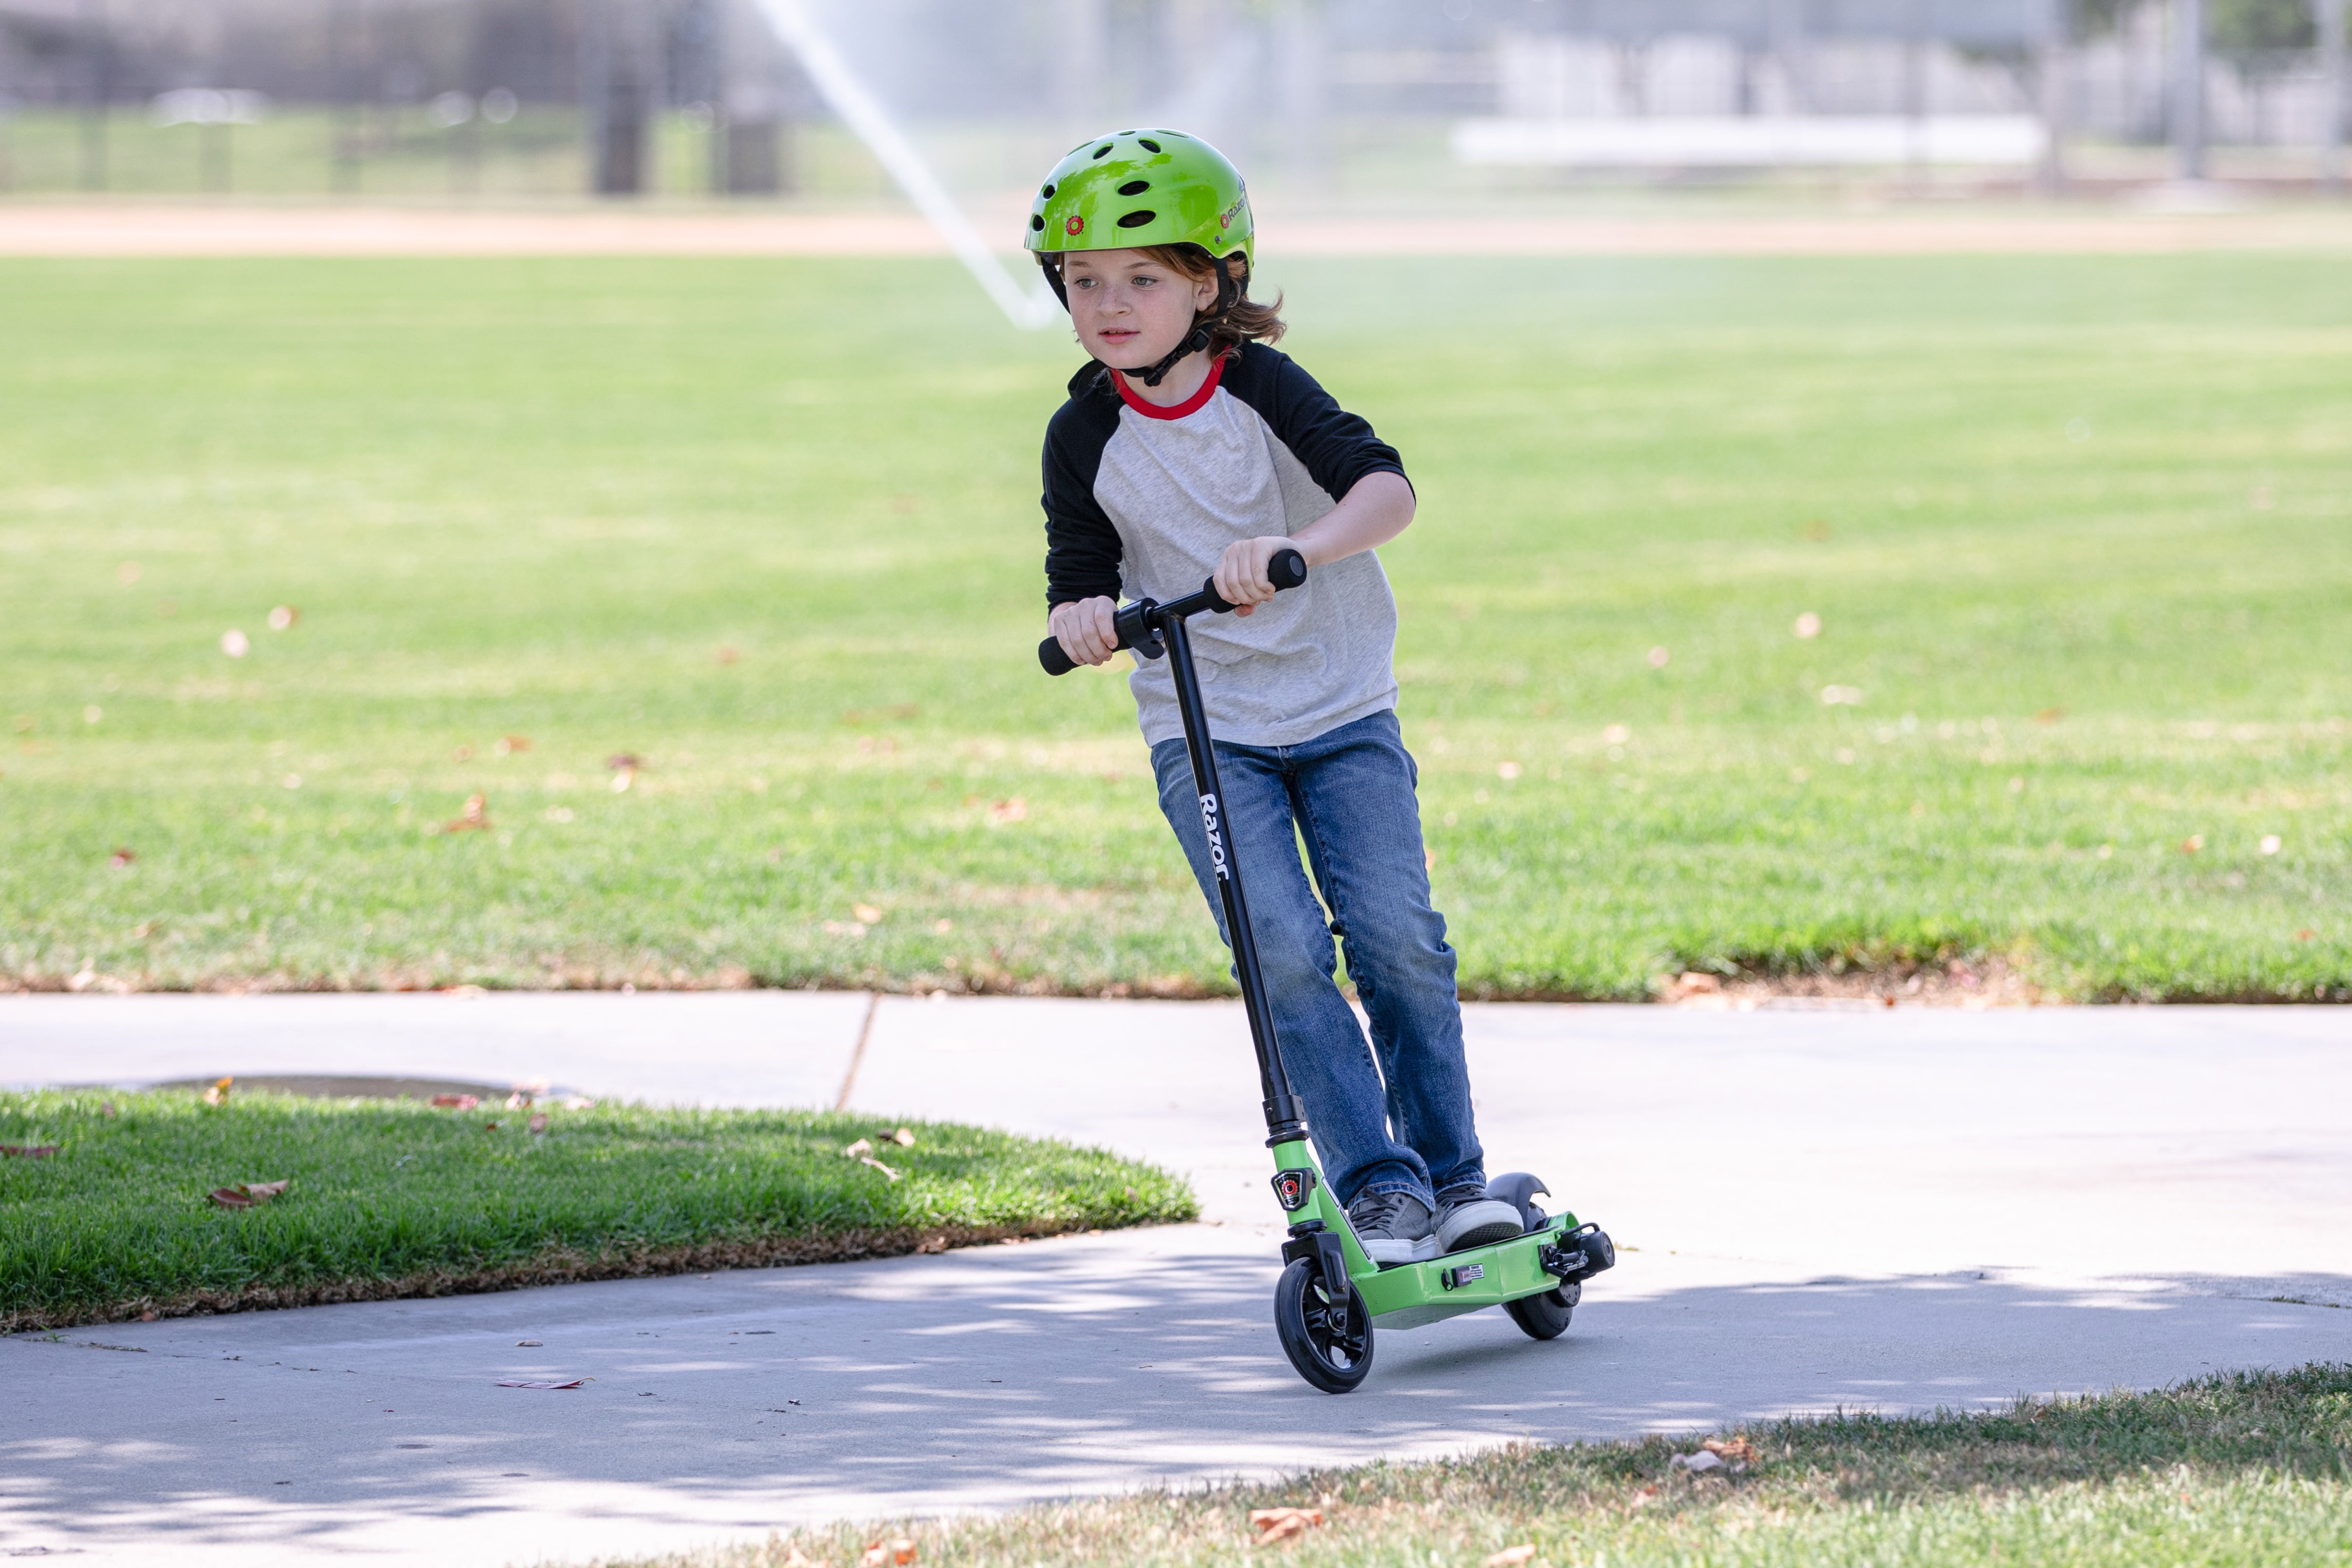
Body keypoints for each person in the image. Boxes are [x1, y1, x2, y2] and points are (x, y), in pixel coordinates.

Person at [1029, 129, 1522, 1265]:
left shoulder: (1259, 388)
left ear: (1212, 284)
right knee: (1283, 951)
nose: (1110, 302)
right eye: (1085, 280)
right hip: (1207, 732)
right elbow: (1076, 573)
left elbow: (1386, 490)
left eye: (1142, 278)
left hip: (1341, 706)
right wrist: (1082, 621)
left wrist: (1298, 546)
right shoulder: (1082, 435)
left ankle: (1457, 1177)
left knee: (1396, 938)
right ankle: (1382, 1186)